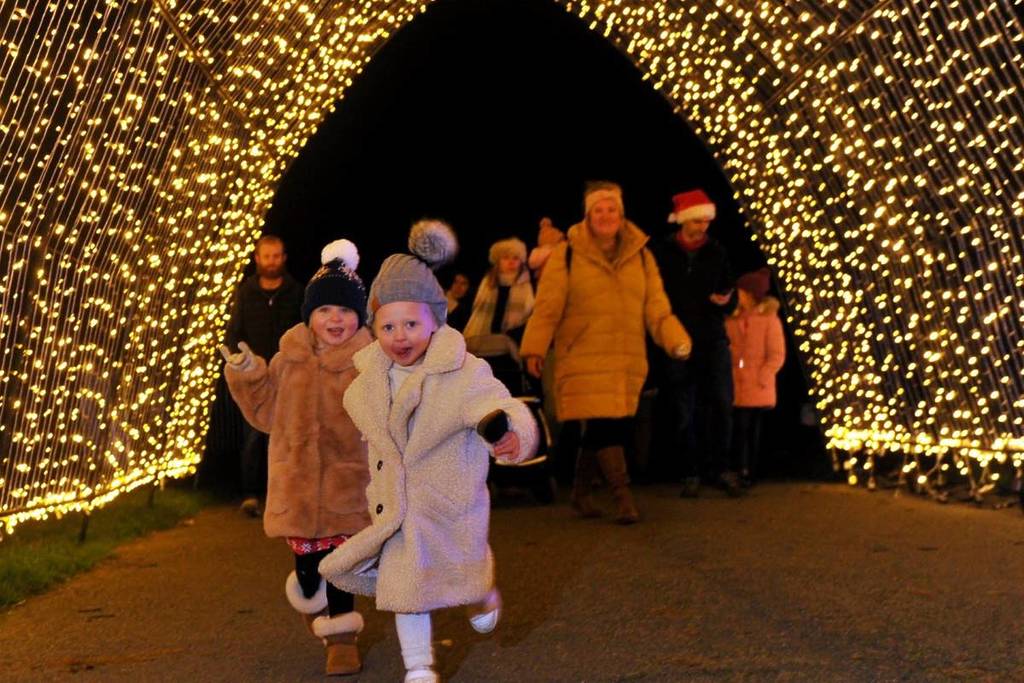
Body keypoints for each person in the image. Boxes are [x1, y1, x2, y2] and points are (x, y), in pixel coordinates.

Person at [318, 220, 539, 683]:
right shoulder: (369, 384)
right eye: (388, 326)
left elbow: (499, 405)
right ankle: (419, 667)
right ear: (375, 328)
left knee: (465, 574)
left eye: (412, 324)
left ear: (436, 321)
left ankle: (482, 591)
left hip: (451, 505)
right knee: (407, 591)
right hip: (398, 509)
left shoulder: (463, 372)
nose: (400, 336)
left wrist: (510, 433)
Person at [220, 239, 373, 675]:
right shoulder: (289, 360)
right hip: (300, 488)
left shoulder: (369, 363)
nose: (335, 319)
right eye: (325, 310)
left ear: (359, 316)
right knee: (308, 572)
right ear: (309, 315)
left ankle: (341, 639)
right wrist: (249, 374)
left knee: (341, 566)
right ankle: (311, 596)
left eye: (345, 311)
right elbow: (266, 411)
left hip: (347, 486)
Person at [520, 181, 691, 524]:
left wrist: (675, 339)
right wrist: (534, 348)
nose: (605, 215)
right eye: (598, 209)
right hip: (582, 353)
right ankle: (622, 496)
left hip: (626, 356)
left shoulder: (641, 255)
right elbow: (548, 307)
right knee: (606, 426)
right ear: (588, 215)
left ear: (621, 213)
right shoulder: (567, 254)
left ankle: (581, 494)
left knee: (604, 428)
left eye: (611, 209)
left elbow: (656, 307)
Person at [653, 189, 738, 497]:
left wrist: (726, 300)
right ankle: (690, 471)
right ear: (683, 220)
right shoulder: (662, 252)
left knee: (722, 404)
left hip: (712, 338)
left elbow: (729, 291)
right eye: (697, 221)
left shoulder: (717, 251)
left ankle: (721, 468)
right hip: (678, 340)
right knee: (684, 409)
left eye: (706, 221)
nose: (703, 226)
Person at [224, 234, 303, 515]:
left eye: (276, 256)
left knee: (288, 439)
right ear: (257, 259)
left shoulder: (296, 292)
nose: (272, 262)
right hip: (255, 378)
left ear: (284, 258)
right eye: (267, 256)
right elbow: (235, 330)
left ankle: (283, 496)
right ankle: (250, 495)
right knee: (253, 436)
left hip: (288, 376)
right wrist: (241, 360)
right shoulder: (246, 293)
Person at [725, 267, 786, 487]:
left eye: (741, 291)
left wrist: (764, 375)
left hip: (757, 384)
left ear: (750, 294)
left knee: (750, 428)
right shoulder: (732, 318)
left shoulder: (769, 320)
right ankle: (740, 468)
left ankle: (748, 469)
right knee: (738, 428)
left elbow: (776, 353)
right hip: (736, 382)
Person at [462, 237, 535, 390]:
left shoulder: (529, 287)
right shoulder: (486, 285)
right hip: (483, 347)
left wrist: (513, 335)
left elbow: (531, 317)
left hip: (511, 348)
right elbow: (471, 313)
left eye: (515, 258)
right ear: (498, 261)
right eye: (506, 257)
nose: (511, 262)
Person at [527, 216, 566, 282]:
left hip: (555, 274)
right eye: (543, 223)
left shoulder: (554, 231)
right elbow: (532, 263)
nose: (545, 225)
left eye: (546, 223)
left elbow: (561, 239)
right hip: (544, 275)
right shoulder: (541, 235)